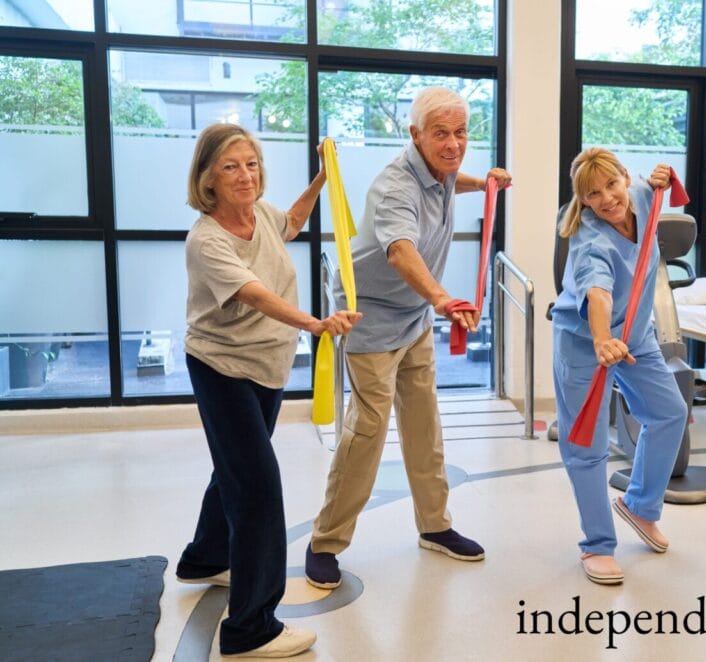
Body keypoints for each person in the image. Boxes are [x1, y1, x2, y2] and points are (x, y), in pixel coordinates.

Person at [304, 87, 511, 589]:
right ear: (415, 134)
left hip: (413, 316)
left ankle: (435, 526)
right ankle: (325, 541)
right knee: (368, 432)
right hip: (371, 318)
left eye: (461, 132)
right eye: (441, 133)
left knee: (424, 424)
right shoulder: (396, 185)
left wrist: (482, 183)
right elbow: (400, 251)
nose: (453, 143)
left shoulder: (437, 174)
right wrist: (443, 299)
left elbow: (446, 181)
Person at [175, 123, 361, 658]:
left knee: (236, 470)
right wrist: (316, 323)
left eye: (251, 164)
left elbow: (294, 221)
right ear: (208, 177)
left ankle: (206, 559)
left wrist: (323, 180)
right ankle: (251, 628)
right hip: (222, 367)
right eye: (231, 166)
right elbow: (253, 294)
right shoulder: (207, 238)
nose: (244, 175)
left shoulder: (261, 216)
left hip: (266, 367)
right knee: (257, 486)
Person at [549, 147, 687, 585]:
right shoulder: (591, 241)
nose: (608, 198)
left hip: (635, 330)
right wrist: (601, 339)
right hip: (584, 342)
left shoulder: (644, 195)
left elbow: (671, 192)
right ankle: (597, 546)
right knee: (586, 445)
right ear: (583, 201)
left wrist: (665, 174)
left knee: (670, 412)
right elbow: (598, 296)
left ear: (626, 177)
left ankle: (640, 505)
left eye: (612, 184)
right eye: (594, 194)